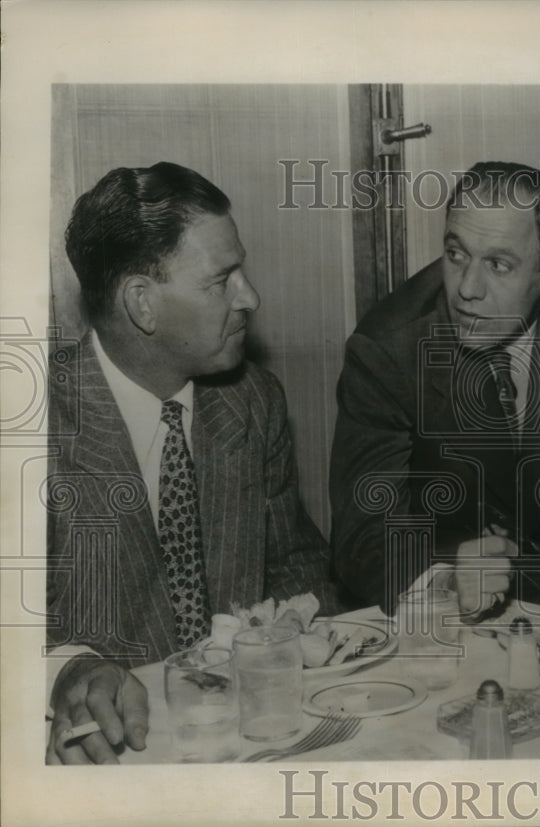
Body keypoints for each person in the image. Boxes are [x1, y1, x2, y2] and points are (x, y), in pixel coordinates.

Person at [46, 162, 338, 763]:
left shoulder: (253, 401)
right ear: (142, 304)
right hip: (113, 754)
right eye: (221, 280)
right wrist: (66, 670)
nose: (250, 297)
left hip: (254, 736)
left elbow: (295, 564)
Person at [329, 161, 540, 615]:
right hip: (443, 594)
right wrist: (446, 581)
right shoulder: (388, 350)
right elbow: (360, 539)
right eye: (456, 254)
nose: (467, 289)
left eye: (498, 264)